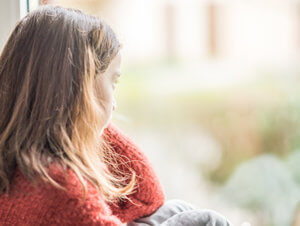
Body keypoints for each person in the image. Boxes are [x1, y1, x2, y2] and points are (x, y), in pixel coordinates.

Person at [0, 5, 232, 226]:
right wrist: (90, 117)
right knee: (209, 221)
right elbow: (148, 197)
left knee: (178, 209)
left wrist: (86, 121)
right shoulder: (59, 186)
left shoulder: (21, 164)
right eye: (113, 81)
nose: (114, 104)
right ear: (83, 91)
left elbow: (150, 202)